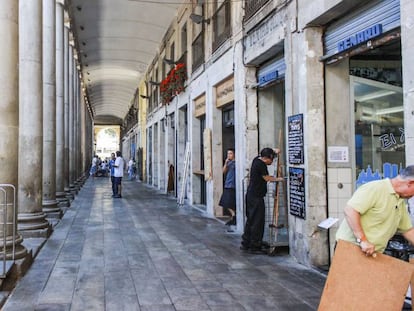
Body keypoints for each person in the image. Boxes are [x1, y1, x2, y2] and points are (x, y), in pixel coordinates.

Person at [335, 165, 414, 256]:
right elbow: (350, 210)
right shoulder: (375, 188)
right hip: (351, 248)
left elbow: (407, 230)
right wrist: (363, 240)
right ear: (410, 183)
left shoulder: (399, 200)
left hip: (373, 253)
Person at [241, 147, 283, 254]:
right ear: (267, 158)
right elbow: (267, 178)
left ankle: (246, 243)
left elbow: (264, 152)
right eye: (272, 159)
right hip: (256, 197)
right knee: (257, 221)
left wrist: (274, 151)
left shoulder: (257, 159)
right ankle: (255, 245)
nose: (272, 161)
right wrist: (279, 179)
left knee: (251, 219)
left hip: (251, 196)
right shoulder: (261, 165)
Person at [219, 148, 236, 226]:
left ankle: (234, 216)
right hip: (228, 184)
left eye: (230, 153)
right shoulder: (229, 162)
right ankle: (234, 215)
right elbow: (223, 172)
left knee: (228, 202)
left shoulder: (236, 163)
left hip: (233, 185)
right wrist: (226, 163)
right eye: (228, 154)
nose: (229, 155)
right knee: (225, 202)